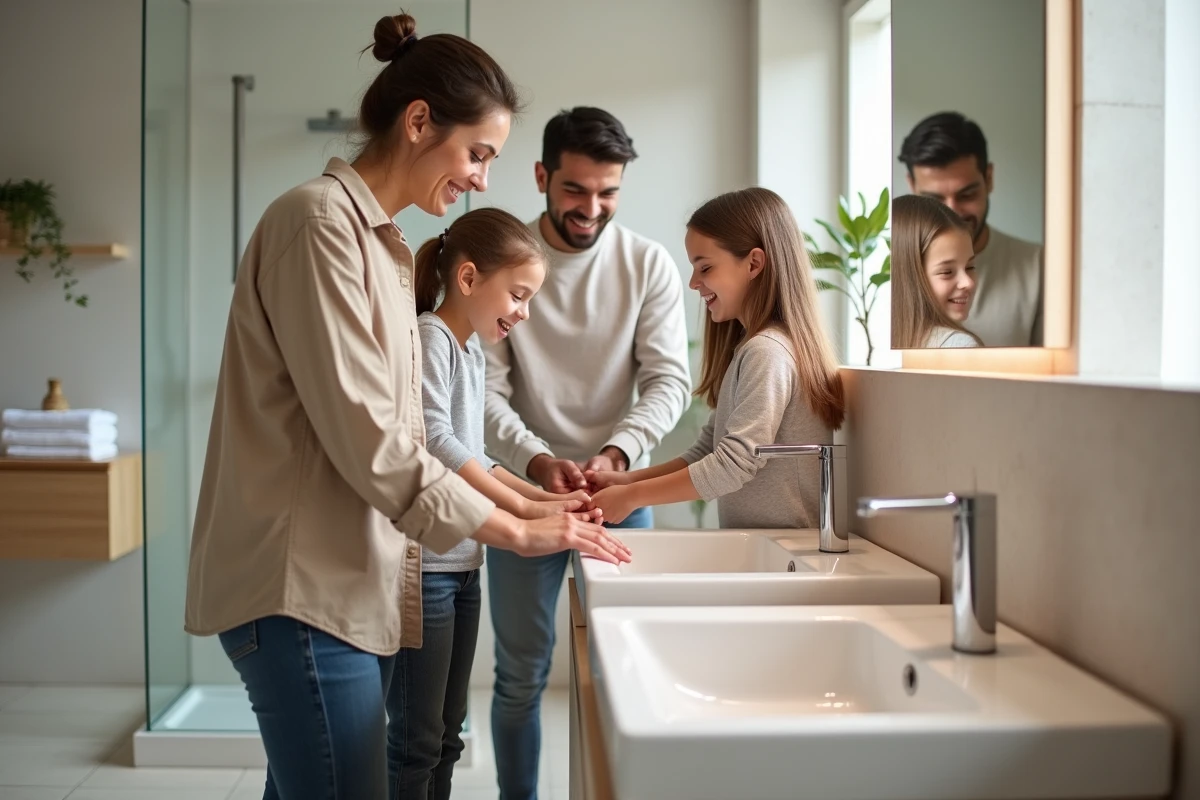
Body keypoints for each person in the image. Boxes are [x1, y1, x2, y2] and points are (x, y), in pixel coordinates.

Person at [183, 15, 629, 800]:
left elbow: (411, 436)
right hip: (300, 594)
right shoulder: (319, 225)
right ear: (419, 121)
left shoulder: (380, 248)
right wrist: (520, 528)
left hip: (341, 588)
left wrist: (526, 501)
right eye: (477, 154)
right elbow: (375, 444)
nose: (483, 180)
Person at [482, 107, 690, 798]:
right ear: (541, 176)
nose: (591, 207)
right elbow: (484, 389)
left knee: (627, 674)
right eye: (575, 190)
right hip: (525, 496)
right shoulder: (505, 266)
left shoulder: (648, 264)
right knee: (521, 679)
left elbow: (669, 379)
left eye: (608, 192)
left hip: (618, 496)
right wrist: (540, 462)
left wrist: (618, 454)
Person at [387, 207, 604, 800]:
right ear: (467, 280)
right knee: (416, 743)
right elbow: (436, 441)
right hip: (426, 567)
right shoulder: (431, 336)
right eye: (518, 294)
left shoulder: (472, 351)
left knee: (448, 736)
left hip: (461, 566)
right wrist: (528, 513)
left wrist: (541, 498)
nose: (523, 312)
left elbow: (476, 457)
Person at [587, 187, 845, 529]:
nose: (694, 283)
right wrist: (628, 482)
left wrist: (633, 497)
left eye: (705, 268)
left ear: (754, 263)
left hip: (785, 550)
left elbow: (733, 464)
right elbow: (709, 450)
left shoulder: (766, 351)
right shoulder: (752, 348)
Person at [898, 111, 1043, 346]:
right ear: (912, 186)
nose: (952, 211)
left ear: (989, 178)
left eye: (967, 194)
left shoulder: (1039, 266)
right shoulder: (890, 271)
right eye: (934, 199)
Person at [890, 195, 983, 349]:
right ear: (909, 278)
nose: (968, 282)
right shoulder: (960, 346)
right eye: (947, 272)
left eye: (970, 267)